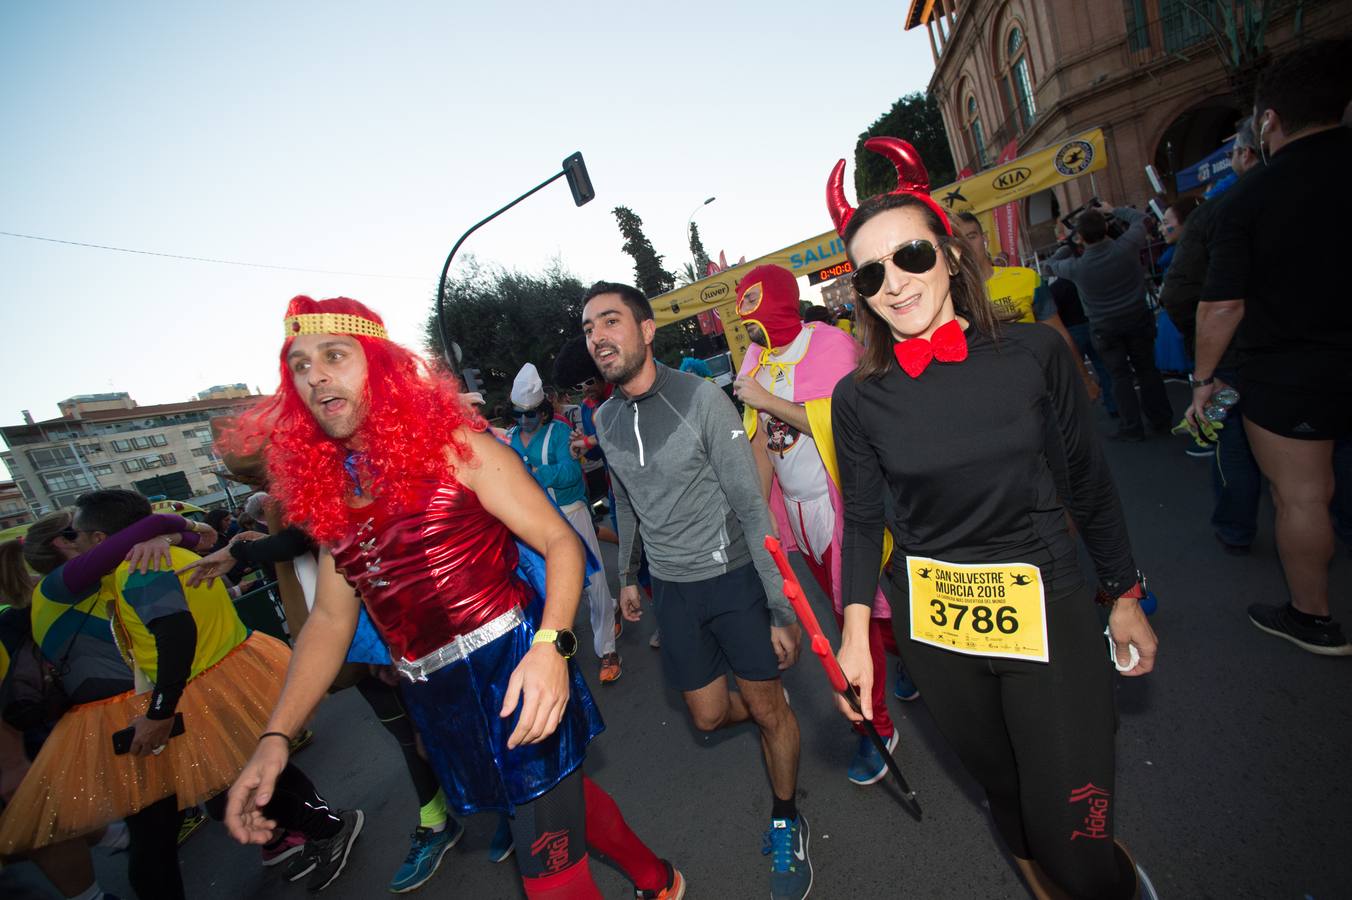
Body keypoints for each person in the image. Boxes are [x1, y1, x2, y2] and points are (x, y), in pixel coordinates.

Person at [221, 295, 684, 900]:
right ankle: (659, 879)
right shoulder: (333, 494)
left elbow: (560, 542)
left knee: (549, 874)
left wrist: (552, 648)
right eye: (300, 365)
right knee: (559, 805)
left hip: (516, 670)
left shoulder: (457, 449)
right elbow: (331, 621)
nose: (315, 376)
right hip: (435, 699)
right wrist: (275, 738)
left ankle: (654, 879)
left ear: (382, 366)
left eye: (335, 355)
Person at [825, 137, 1159, 899]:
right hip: (936, 629)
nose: (894, 283)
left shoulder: (1036, 354)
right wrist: (855, 636)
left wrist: (1125, 595)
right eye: (870, 272)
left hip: (1048, 605)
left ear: (948, 253)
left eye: (909, 256)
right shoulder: (857, 398)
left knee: (1073, 839)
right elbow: (865, 515)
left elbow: (1090, 486)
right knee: (1010, 809)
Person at [582, 281, 811, 900]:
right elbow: (625, 499)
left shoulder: (700, 398)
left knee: (765, 710)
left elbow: (750, 504)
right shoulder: (603, 417)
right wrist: (627, 575)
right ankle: (777, 718)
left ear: (646, 329)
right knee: (708, 716)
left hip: (734, 576)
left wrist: (778, 604)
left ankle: (787, 815)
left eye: (610, 321)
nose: (599, 337)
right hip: (673, 593)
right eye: (588, 328)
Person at [1194, 39, 1352, 655]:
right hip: (1300, 366)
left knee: (1303, 496)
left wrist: (1204, 379)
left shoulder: (1248, 199)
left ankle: (1312, 617)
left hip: (1293, 372)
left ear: (1269, 121)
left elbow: (1223, 304)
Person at [729, 263, 914, 787]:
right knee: (863, 611)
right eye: (745, 325)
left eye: (754, 319)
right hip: (799, 514)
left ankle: (875, 726)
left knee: (848, 615)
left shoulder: (829, 345)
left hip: (844, 508)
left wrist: (769, 400)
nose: (750, 333)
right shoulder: (754, 362)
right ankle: (913, 659)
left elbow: (850, 424)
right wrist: (759, 507)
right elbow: (763, 439)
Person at [1160, 117, 1267, 544]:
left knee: (1233, 441)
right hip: (1302, 352)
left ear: (1244, 153)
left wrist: (1204, 369)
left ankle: (1236, 529)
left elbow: (1184, 296)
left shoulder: (1224, 208)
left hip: (1234, 360)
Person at [509, 362, 622, 684]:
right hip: (535, 521)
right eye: (518, 415)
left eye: (529, 414)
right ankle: (605, 613)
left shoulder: (559, 433)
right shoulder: (511, 439)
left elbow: (573, 474)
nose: (524, 421)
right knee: (555, 584)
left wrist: (536, 475)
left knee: (594, 579)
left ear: (543, 412)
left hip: (572, 512)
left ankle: (608, 650)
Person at [1048, 201, 1172, 441]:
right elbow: (1140, 219)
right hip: (1137, 316)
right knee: (1147, 369)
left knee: (1119, 376)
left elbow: (1050, 266)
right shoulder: (1126, 247)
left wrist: (1070, 244)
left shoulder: (1078, 267)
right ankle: (1160, 419)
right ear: (1105, 228)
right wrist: (1113, 210)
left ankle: (1131, 427)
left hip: (1105, 326)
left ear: (1082, 236)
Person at [954, 212, 1101, 401]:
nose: (967, 245)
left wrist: (1084, 378)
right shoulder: (951, 297)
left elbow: (1058, 333)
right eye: (959, 240)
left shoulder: (1026, 278)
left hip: (1042, 383)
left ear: (985, 239)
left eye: (972, 236)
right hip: (994, 395)